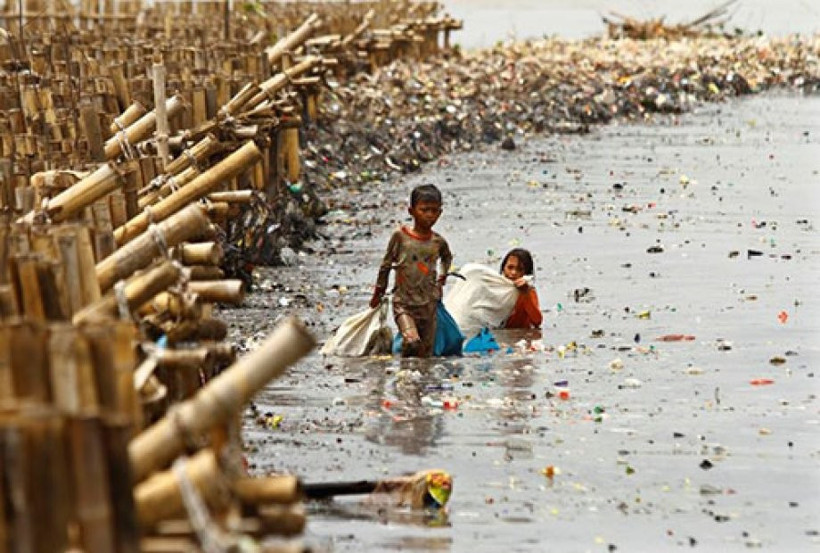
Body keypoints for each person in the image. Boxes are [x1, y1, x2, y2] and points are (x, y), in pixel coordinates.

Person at [370, 184, 453, 357]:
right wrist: (379, 292)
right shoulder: (400, 237)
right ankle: (406, 376)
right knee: (412, 341)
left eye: (434, 211)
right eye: (424, 210)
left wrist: (442, 277)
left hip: (428, 304)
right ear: (411, 211)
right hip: (404, 303)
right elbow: (386, 265)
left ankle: (417, 379)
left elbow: (447, 258)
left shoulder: (438, 242)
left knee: (425, 353)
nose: (429, 215)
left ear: (440, 212)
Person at [499, 248, 542, 329]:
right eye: (510, 267)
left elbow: (537, 321)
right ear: (503, 269)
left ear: (526, 273)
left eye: (520, 269)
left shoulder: (529, 291)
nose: (513, 273)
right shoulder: (494, 288)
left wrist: (525, 293)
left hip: (520, 337)